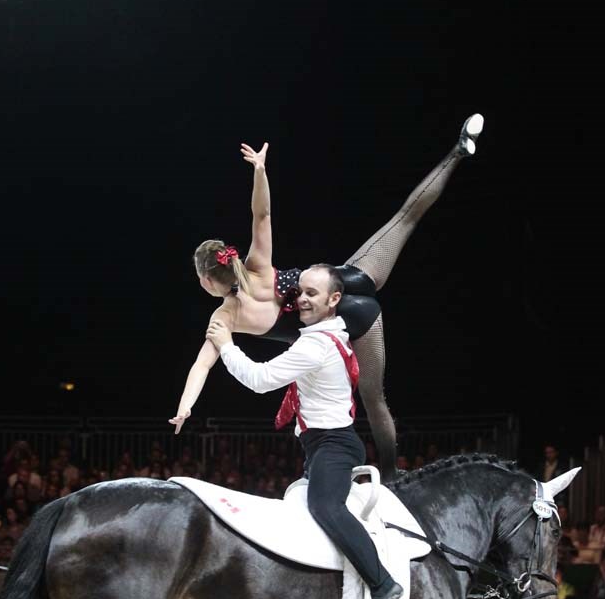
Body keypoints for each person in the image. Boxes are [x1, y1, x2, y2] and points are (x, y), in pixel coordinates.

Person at [170, 114, 484, 481]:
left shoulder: (224, 319)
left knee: (374, 397)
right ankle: (459, 150)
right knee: (404, 219)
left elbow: (202, 365)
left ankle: (392, 474)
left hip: (349, 316)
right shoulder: (257, 266)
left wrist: (185, 407)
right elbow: (262, 214)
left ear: (206, 280)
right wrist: (259, 171)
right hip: (341, 279)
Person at [205, 262, 403, 599]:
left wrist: (226, 345)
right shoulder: (335, 328)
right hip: (323, 444)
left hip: (334, 445)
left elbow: (260, 380)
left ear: (334, 299)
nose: (303, 300)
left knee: (326, 509)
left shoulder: (314, 346)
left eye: (312, 294)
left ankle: (383, 584)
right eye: (301, 292)